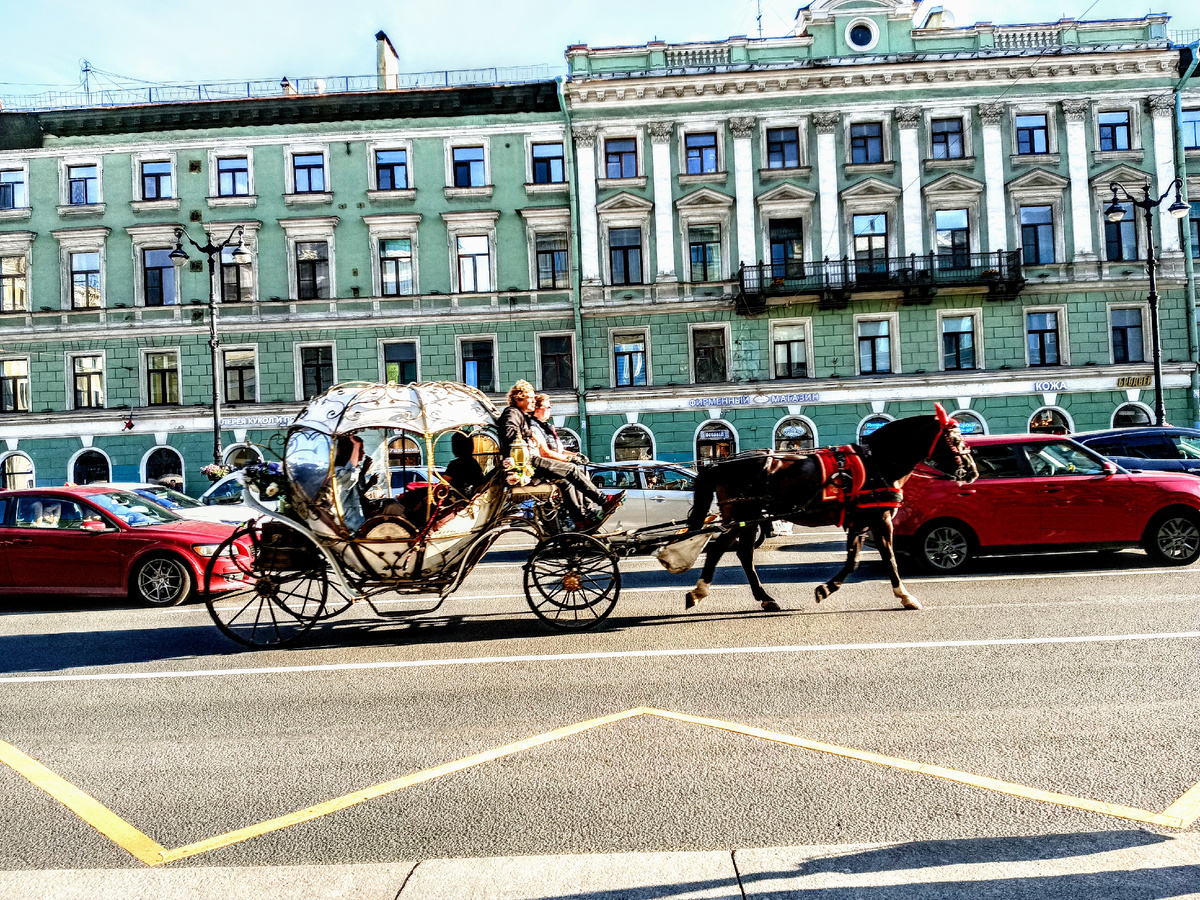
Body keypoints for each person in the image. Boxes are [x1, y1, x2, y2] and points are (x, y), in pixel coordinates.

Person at [499, 380, 622, 531]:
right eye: (530, 398)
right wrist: (530, 434)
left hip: (527, 462)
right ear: (519, 398)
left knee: (566, 481)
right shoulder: (512, 413)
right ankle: (604, 501)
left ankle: (580, 520)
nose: (533, 401)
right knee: (571, 470)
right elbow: (508, 432)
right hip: (527, 462)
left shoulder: (520, 415)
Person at [444, 431, 485, 498]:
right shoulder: (474, 462)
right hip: (476, 498)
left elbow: (443, 482)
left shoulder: (455, 464)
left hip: (460, 500)